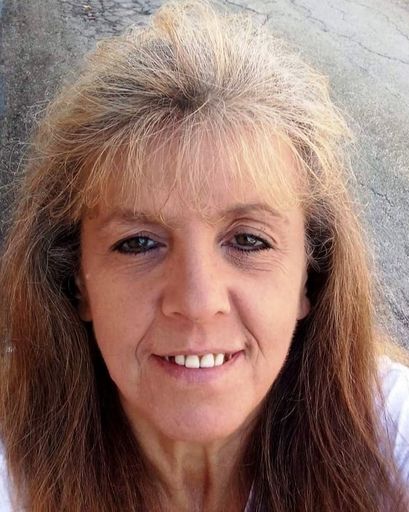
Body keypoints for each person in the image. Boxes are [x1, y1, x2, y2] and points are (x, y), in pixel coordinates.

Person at [0, 1, 408, 510]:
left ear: (310, 276)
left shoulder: (390, 435)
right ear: (77, 281)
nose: (197, 303)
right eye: (138, 242)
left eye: (248, 241)